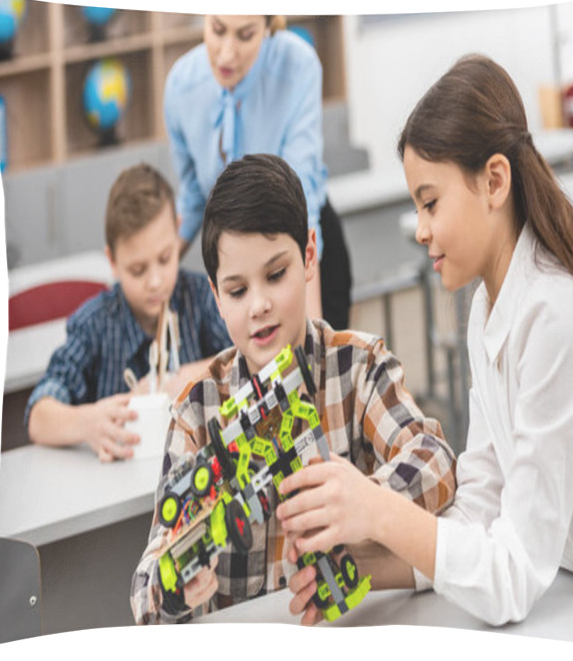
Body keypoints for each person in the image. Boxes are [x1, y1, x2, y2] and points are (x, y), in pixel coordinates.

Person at [276, 54, 573, 626]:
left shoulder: (555, 312)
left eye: (430, 202)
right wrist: (367, 564)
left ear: (494, 181)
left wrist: (379, 510)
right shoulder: (487, 306)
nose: (419, 228)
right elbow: (483, 502)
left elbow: (512, 576)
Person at [130, 153, 456, 624]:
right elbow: (145, 585)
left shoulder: (357, 367)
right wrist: (172, 586)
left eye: (276, 275)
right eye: (238, 291)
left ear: (308, 257)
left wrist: (362, 503)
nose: (260, 305)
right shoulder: (198, 411)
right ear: (216, 299)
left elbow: (437, 458)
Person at [25, 163, 231, 462]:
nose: (156, 281)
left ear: (177, 232)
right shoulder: (94, 325)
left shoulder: (200, 297)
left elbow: (250, 359)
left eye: (165, 258)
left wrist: (190, 375)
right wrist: (85, 423)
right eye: (137, 270)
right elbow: (37, 415)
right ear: (112, 261)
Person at [164, 14, 353, 330]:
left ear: (268, 27)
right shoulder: (182, 85)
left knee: (313, 370)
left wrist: (315, 338)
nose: (226, 54)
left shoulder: (298, 66)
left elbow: (303, 200)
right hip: (236, 263)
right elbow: (195, 195)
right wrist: (154, 266)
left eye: (245, 35)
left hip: (302, 247)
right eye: (217, 30)